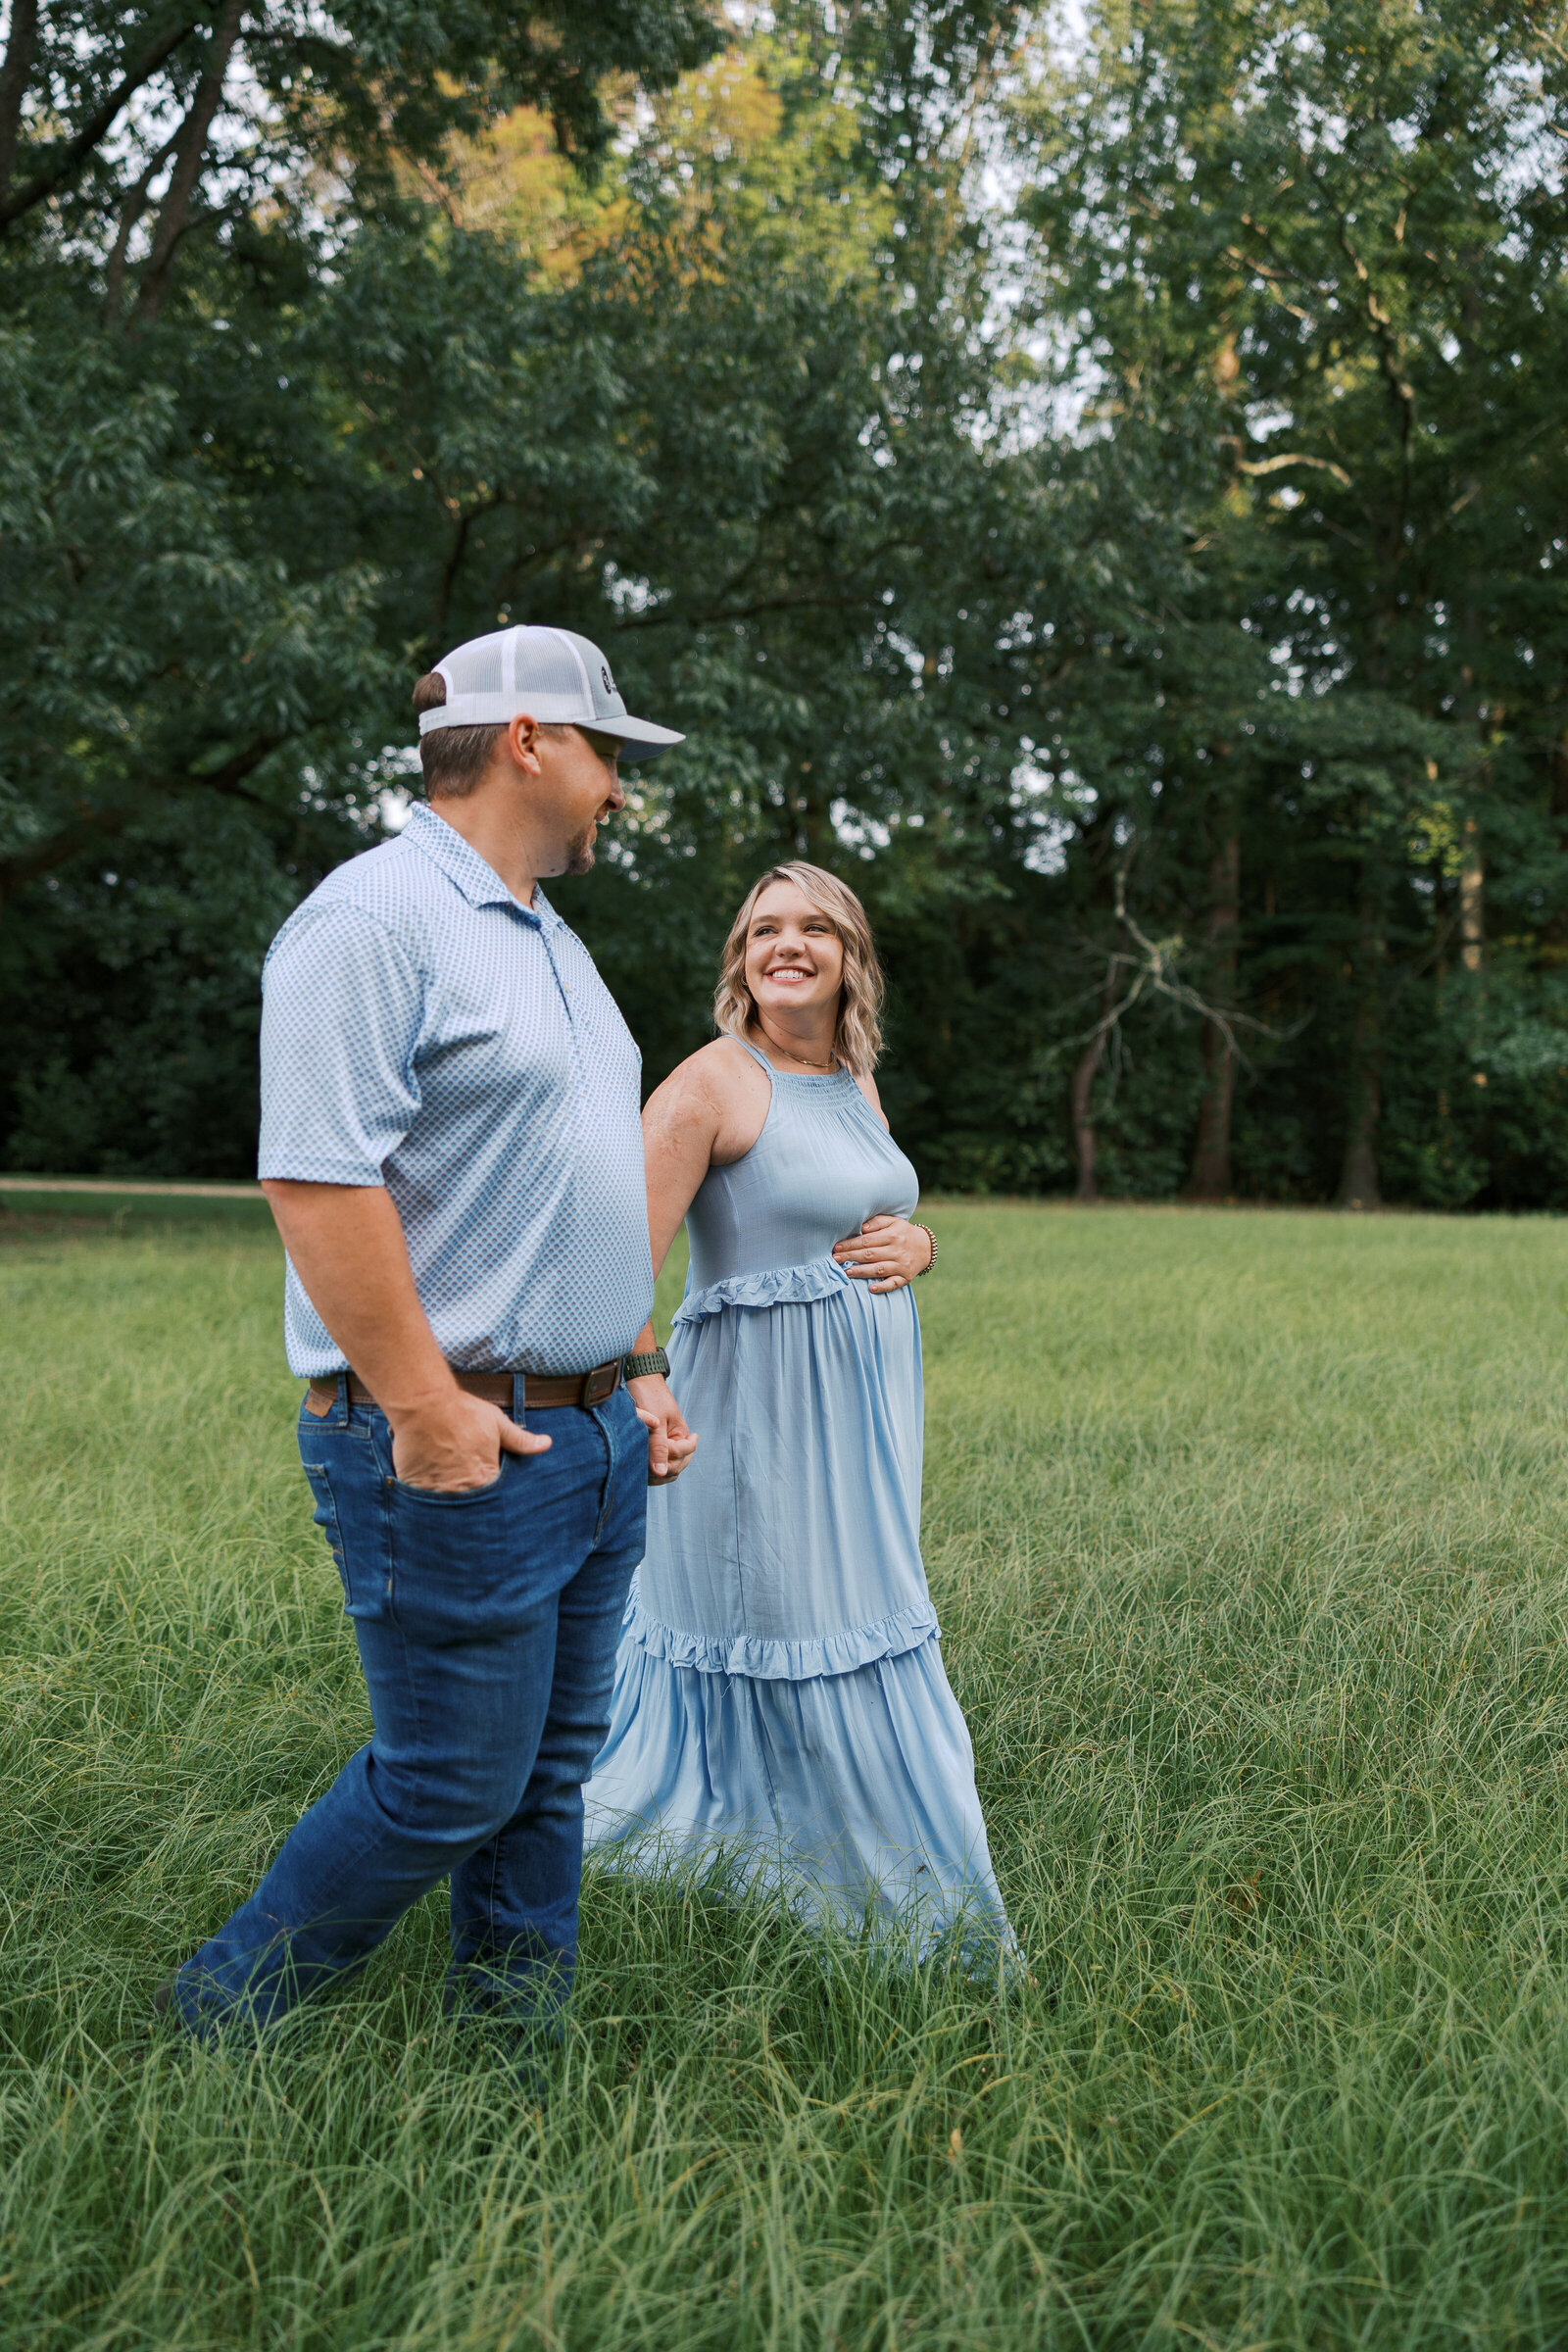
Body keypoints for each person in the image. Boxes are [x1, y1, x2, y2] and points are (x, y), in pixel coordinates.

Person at [160, 623, 698, 2038]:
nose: (619, 794)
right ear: (528, 741)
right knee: (451, 1781)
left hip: (585, 1434)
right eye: (606, 757)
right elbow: (314, 1176)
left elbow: (578, 1187)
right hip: (461, 1432)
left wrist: (634, 1370)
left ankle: (511, 2055)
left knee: (550, 1769)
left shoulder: (557, 947)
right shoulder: (370, 921)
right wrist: (421, 1406)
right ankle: (217, 2017)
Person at [584, 862, 1012, 1961]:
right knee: (787, 1617)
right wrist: (643, 1381)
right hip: (755, 1412)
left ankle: (831, 1827)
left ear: (848, 957)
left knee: (860, 1603)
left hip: (863, 1408)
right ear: (741, 959)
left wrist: (921, 1243)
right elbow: (615, 1257)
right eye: (764, 929)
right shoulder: (711, 1085)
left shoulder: (854, 1083)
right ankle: (797, 1849)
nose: (787, 944)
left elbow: (876, 1210)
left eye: (814, 928)